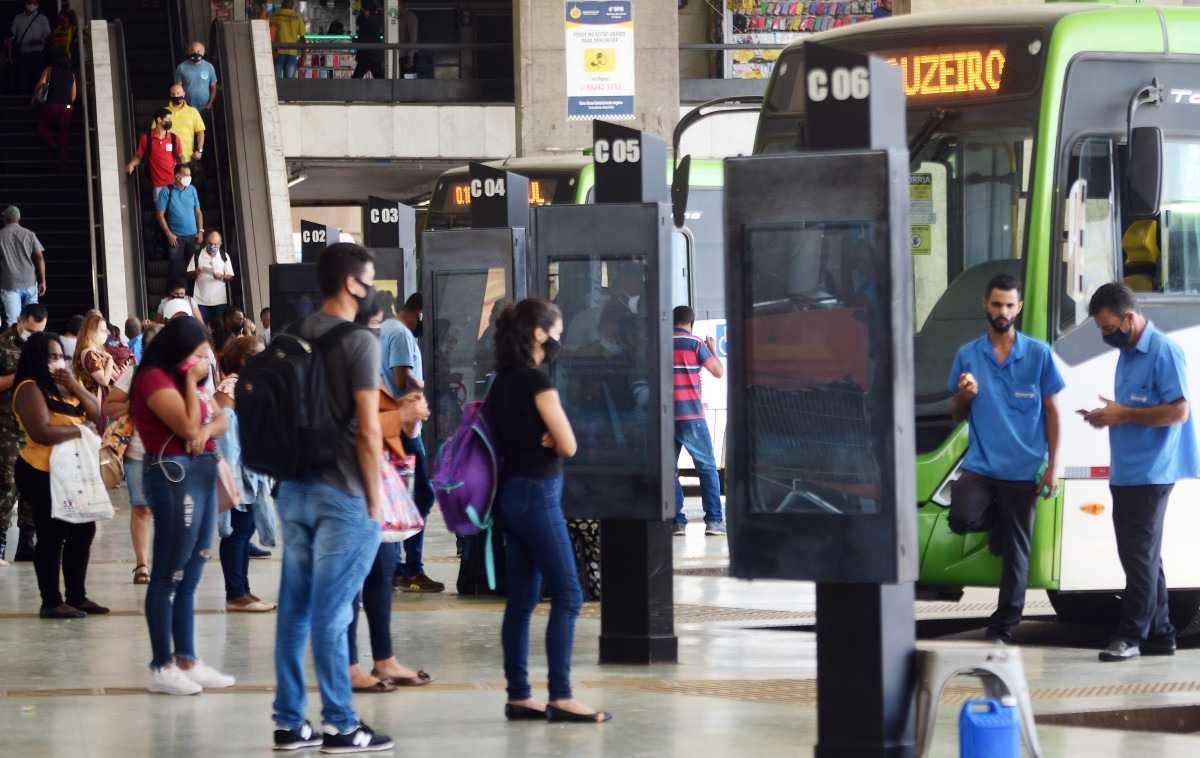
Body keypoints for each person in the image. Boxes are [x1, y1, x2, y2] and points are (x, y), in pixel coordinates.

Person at [272, 243, 393, 753]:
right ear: (351, 284)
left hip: (294, 490)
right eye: (368, 278)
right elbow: (369, 430)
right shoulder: (360, 342)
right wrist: (375, 498)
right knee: (334, 611)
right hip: (342, 493)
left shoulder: (287, 337)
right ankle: (341, 724)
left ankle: (289, 722)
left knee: (294, 611)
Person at [487, 298, 609, 724]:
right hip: (539, 495)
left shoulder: (500, 382)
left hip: (511, 497)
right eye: (557, 330)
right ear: (539, 333)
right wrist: (554, 438)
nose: (560, 338)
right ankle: (561, 694)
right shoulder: (537, 382)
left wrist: (548, 437)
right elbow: (569, 444)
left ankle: (519, 695)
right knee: (569, 594)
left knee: (521, 602)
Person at [1083, 283, 1200, 662]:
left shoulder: (1164, 352)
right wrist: (1109, 416)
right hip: (1128, 470)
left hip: (1152, 472)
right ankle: (1161, 634)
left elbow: (1178, 411)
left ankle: (1130, 635)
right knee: (1144, 556)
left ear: (1129, 318)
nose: (1105, 335)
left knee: (1137, 557)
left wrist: (1124, 414)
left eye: (1108, 327)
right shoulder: (1128, 353)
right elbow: (1134, 410)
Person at [946, 274, 1064, 644]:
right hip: (981, 465)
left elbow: (1052, 412)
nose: (1003, 311)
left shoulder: (1039, 354)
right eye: (997, 304)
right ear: (986, 304)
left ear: (1019, 308)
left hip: (1024, 468)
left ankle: (1003, 626)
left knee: (1017, 552)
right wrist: (966, 395)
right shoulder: (968, 354)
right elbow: (955, 413)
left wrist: (1054, 467)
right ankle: (996, 519)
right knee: (962, 516)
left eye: (1009, 305)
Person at [132, 316, 233, 694]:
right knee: (168, 573)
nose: (204, 362)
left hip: (203, 471)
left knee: (194, 569)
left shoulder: (189, 381)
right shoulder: (154, 379)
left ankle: (187, 657)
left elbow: (218, 419)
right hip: (173, 473)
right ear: (179, 352)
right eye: (198, 355)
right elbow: (188, 427)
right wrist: (192, 385)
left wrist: (207, 428)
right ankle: (162, 665)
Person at [13, 331, 105, 618]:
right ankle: (51, 601)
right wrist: (79, 431)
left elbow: (98, 415)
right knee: (52, 534)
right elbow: (41, 432)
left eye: (62, 356)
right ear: (37, 358)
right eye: (52, 356)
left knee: (83, 529)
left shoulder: (63, 389)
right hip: (41, 470)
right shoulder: (29, 387)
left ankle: (77, 596)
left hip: (71, 472)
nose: (59, 362)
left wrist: (76, 386)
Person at [348, 390, 432, 693]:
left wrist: (407, 425)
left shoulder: (370, 368)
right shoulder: (335, 363)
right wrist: (399, 416)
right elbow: (347, 428)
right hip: (345, 487)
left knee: (382, 571)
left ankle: (385, 659)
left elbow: (388, 434)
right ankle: (348, 666)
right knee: (348, 583)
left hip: (376, 486)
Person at [381, 293, 441, 593]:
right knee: (422, 496)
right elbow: (402, 378)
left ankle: (397, 566)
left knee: (398, 496)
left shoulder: (386, 330)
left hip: (396, 425)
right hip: (404, 427)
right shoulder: (402, 335)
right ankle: (410, 568)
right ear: (418, 312)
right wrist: (426, 383)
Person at [213, 335, 276, 613]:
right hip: (236, 470)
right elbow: (224, 428)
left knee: (246, 527)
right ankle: (235, 592)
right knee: (237, 531)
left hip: (250, 470)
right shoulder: (230, 388)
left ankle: (243, 590)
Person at [103, 321, 159, 584]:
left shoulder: (182, 374)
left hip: (172, 453)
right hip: (138, 452)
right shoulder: (133, 374)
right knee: (141, 508)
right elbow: (108, 407)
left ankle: (168, 562)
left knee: (170, 510)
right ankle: (142, 565)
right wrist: (132, 404)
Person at [670, 305, 726, 537]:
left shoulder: (661, 343)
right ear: (691, 323)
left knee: (669, 471)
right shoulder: (695, 344)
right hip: (692, 416)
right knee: (707, 468)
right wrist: (712, 351)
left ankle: (677, 522)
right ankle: (713, 521)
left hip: (667, 417)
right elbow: (718, 372)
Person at [0, 303, 47, 564]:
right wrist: (20, 374)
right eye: (30, 331)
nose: (34, 336)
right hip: (6, 427)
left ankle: (27, 543)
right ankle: (1, 541)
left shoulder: (43, 347)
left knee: (33, 487)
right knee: (7, 485)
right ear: (20, 321)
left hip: (34, 426)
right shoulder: (3, 344)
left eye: (39, 332)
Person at [156, 165, 204, 288]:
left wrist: (201, 231)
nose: (189, 177)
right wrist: (168, 234)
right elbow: (160, 215)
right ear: (177, 176)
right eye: (185, 175)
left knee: (194, 268)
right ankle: (175, 295)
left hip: (192, 236)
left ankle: (192, 295)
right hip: (175, 237)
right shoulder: (167, 191)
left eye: (189, 175)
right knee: (175, 269)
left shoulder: (192, 189)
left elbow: (198, 211)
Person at [0, 206, 46, 328]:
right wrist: (42, 281)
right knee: (33, 319)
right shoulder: (29, 234)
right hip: (30, 283)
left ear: (6, 219)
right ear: (18, 218)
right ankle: (34, 345)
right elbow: (40, 258)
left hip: (10, 285)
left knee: (14, 323)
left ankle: (16, 347)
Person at [126, 109, 180, 202]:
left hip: (175, 183)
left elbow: (180, 158)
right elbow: (139, 157)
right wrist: (131, 164)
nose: (170, 122)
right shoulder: (146, 138)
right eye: (168, 119)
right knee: (161, 213)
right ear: (159, 120)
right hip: (158, 185)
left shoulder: (174, 138)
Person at [32, 51, 75, 164]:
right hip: (67, 108)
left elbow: (40, 85)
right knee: (64, 134)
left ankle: (52, 142)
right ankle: (63, 164)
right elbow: (73, 96)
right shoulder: (71, 74)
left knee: (41, 127)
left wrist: (33, 99)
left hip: (51, 105)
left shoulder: (49, 70)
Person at [188, 229, 235, 325]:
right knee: (200, 327)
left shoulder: (224, 256)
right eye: (210, 243)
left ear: (220, 244)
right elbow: (188, 274)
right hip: (200, 300)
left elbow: (231, 277)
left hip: (219, 300)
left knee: (220, 328)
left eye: (216, 244)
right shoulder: (197, 255)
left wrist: (221, 277)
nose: (212, 246)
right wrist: (196, 272)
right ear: (206, 242)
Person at [73, 311, 118, 401]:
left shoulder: (95, 352)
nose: (106, 333)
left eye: (105, 330)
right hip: (96, 402)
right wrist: (110, 359)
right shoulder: (89, 354)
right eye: (102, 330)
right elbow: (104, 381)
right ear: (90, 331)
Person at [8, 0, 50, 94]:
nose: (32, 5)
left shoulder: (42, 18)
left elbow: (48, 35)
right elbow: (11, 36)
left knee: (38, 78)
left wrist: (39, 41)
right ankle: (23, 99)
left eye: (35, 3)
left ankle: (37, 99)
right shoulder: (18, 18)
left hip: (38, 53)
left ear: (38, 5)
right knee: (23, 78)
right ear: (25, 3)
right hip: (23, 53)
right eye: (30, 2)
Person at [163, 82, 205, 166]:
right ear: (170, 95)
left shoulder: (193, 111)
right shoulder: (163, 112)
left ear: (184, 94)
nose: (176, 96)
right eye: (173, 94)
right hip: (167, 159)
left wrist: (199, 150)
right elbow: (154, 133)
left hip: (188, 158)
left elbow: (200, 132)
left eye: (178, 93)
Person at [174, 41, 217, 114]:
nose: (196, 53)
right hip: (187, 108)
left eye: (199, 51)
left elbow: (213, 87)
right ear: (188, 52)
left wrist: (209, 104)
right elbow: (178, 88)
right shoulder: (181, 67)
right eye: (192, 50)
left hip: (205, 108)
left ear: (203, 52)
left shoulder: (209, 67)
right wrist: (181, 105)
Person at [269, 0, 306, 80]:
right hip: (292, 53)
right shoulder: (297, 17)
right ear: (292, 5)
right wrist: (303, 56)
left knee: (277, 82)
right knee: (289, 82)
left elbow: (268, 32)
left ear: (282, 4)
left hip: (277, 52)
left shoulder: (274, 16)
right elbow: (303, 38)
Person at [351, 2, 384, 79]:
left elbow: (363, 37)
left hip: (366, 54)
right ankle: (385, 90)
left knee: (356, 78)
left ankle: (353, 90)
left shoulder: (366, 22)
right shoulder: (377, 20)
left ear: (366, 10)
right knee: (379, 77)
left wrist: (355, 40)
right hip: (375, 54)